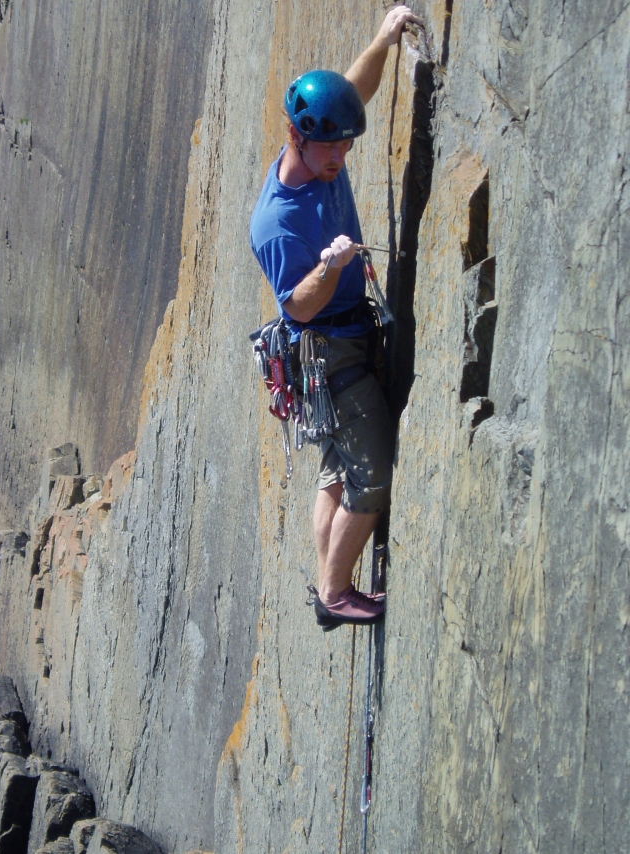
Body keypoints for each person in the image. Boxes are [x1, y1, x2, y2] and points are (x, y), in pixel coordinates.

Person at [250, 5, 418, 630]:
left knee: (334, 470)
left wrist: (383, 37)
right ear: (298, 137)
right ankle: (333, 591)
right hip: (327, 346)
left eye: (347, 145)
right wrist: (328, 267)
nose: (341, 157)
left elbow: (352, 89)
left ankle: (328, 575)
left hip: (342, 333)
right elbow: (295, 303)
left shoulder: (323, 140)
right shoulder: (277, 222)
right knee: (369, 476)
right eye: (332, 148)